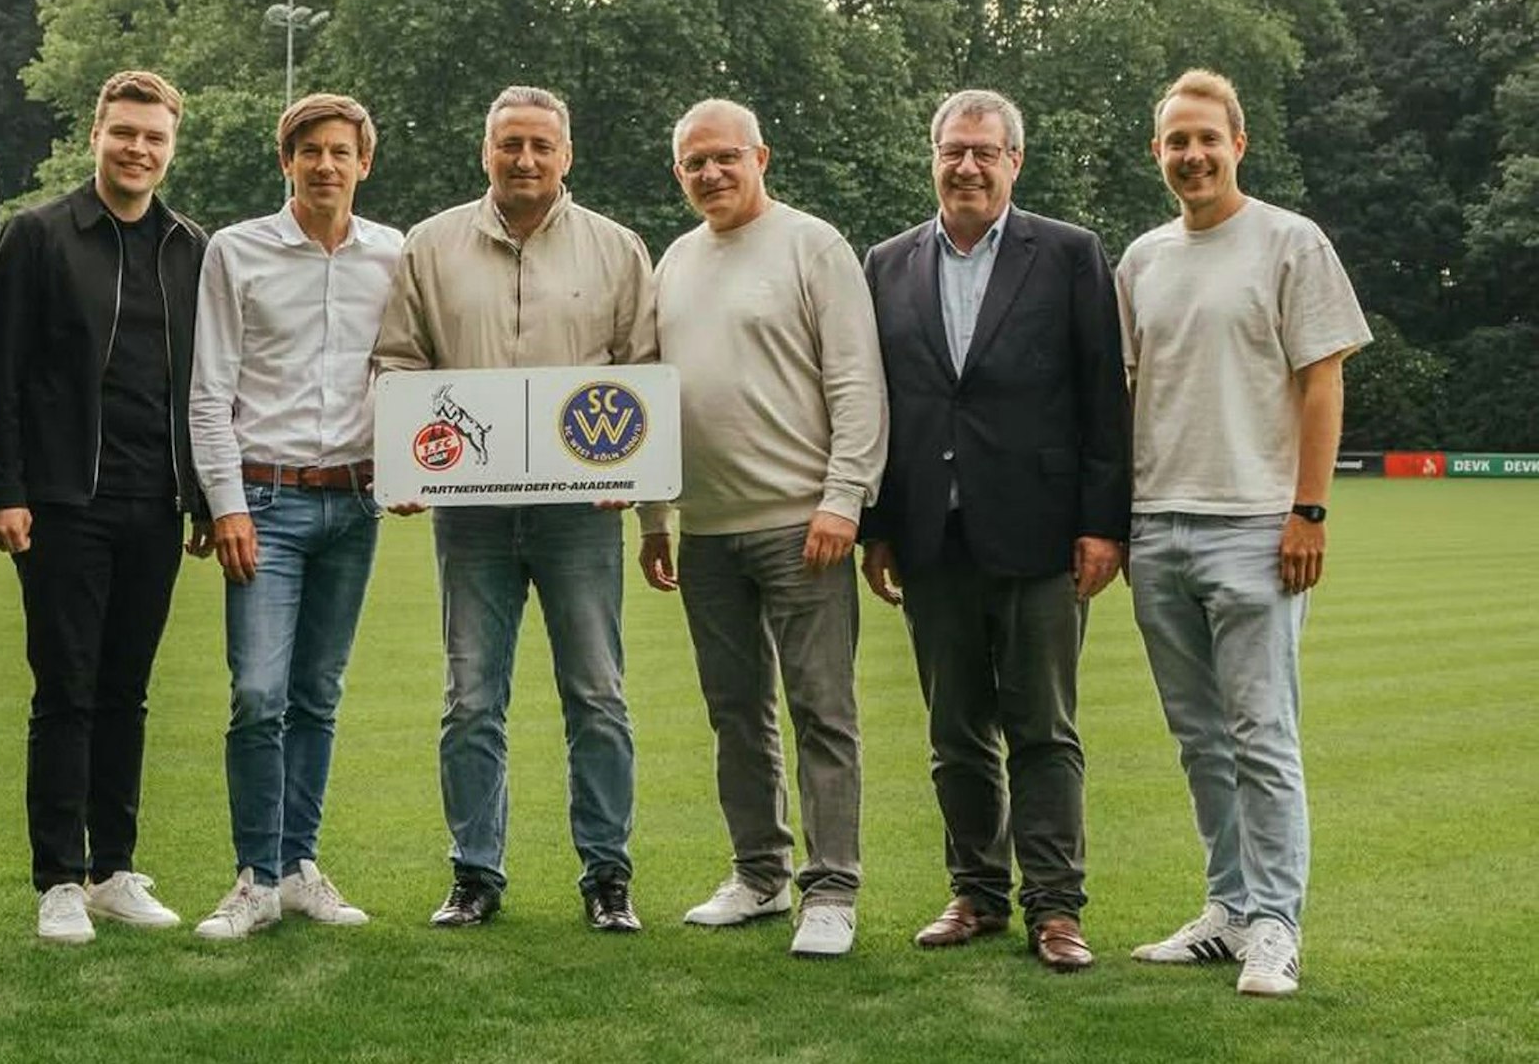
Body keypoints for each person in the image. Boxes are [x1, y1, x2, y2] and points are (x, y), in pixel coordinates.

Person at [373, 85, 657, 931]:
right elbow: (398, 363)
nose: (525, 159)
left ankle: (608, 876)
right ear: (485, 152)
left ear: (566, 154)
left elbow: (642, 372)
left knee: (598, 695)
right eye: (510, 145)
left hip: (581, 510)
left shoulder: (617, 247)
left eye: (540, 144)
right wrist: (406, 461)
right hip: (473, 512)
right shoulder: (430, 245)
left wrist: (635, 480)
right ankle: (474, 874)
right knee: (470, 698)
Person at [861, 90, 1130, 972]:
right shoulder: (888, 262)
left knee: (1044, 729)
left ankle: (1056, 907)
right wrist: (881, 526)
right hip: (933, 536)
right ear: (931, 157)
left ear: (1016, 160)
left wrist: (1101, 524)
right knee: (955, 731)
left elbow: (1102, 396)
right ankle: (976, 892)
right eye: (953, 150)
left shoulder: (1069, 254)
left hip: (1042, 531)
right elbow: (881, 407)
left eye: (985, 151)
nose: (967, 166)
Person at [1119, 70, 1370, 997]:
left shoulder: (1289, 242)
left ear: (1238, 144)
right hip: (1158, 527)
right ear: (1159, 152)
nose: (1191, 155)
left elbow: (1323, 380)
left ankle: (1276, 923)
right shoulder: (1141, 260)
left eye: (1206, 139)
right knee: (1200, 738)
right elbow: (1128, 393)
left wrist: (1308, 510)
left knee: (1262, 735)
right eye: (1176, 141)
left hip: (1257, 526)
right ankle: (1227, 908)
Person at [641, 99, 888, 958]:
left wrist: (843, 498)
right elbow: (647, 400)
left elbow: (857, 382)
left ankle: (832, 887)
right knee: (735, 713)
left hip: (802, 523)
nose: (710, 173)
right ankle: (758, 874)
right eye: (693, 163)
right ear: (679, 173)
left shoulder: (812, 245)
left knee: (822, 709)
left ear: (760, 157)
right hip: (705, 529)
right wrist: (652, 515)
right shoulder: (672, 261)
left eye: (724, 158)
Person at [0, 70, 208, 944]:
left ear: (170, 146)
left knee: (127, 692)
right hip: (64, 502)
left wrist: (201, 496)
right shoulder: (37, 236)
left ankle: (114, 867)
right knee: (65, 690)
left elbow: (203, 384)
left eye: (153, 136)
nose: (138, 148)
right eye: (124, 133)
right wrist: (6, 487)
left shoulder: (191, 246)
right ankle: (58, 878)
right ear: (96, 136)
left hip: (156, 503)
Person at [186, 93, 401, 939]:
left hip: (356, 501)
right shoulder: (236, 252)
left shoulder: (394, 253)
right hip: (264, 502)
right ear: (287, 161)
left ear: (363, 162)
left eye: (340, 151)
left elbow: (413, 371)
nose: (325, 164)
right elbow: (210, 391)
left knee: (317, 692)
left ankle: (301, 864)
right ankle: (254, 876)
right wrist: (226, 502)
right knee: (258, 693)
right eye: (309, 149)